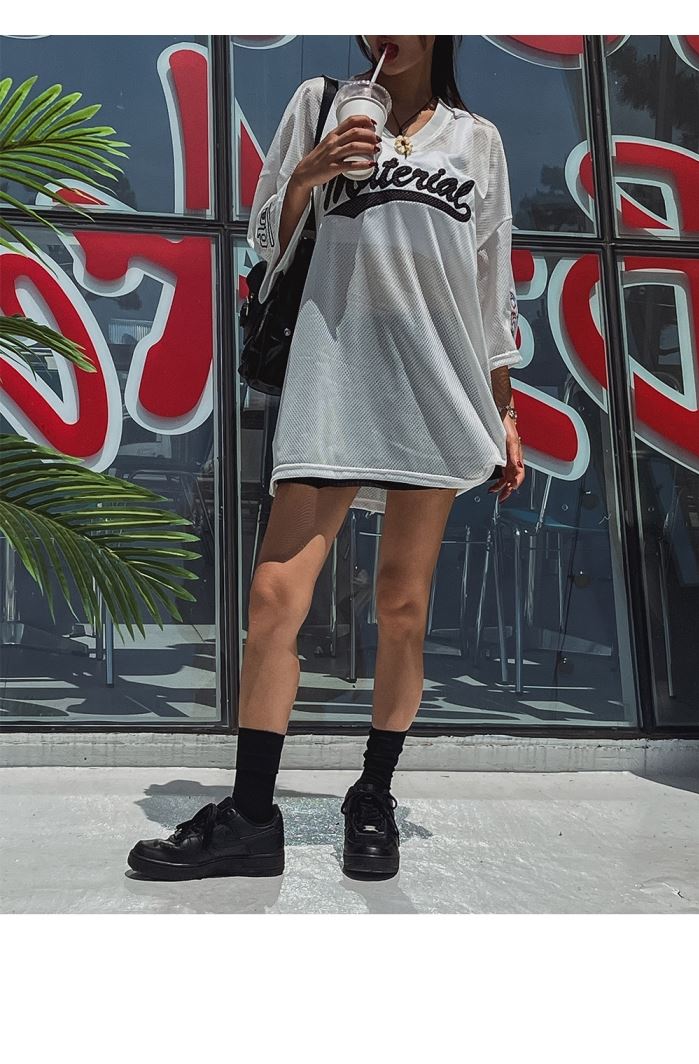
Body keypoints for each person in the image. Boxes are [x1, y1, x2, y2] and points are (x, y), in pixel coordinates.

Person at [127, 35, 525, 883]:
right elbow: (264, 239)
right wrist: (311, 172)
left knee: (402, 605)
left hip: (438, 386)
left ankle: (372, 792)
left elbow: (491, 288)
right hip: (334, 376)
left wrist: (505, 407)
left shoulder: (477, 140)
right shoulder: (320, 103)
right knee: (275, 597)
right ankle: (250, 815)